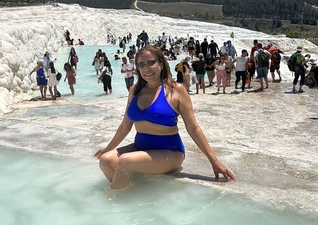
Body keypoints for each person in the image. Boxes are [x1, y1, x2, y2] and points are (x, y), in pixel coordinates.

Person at [94, 45, 235, 190]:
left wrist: (214, 161)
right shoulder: (135, 90)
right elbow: (125, 127)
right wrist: (107, 150)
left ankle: (113, 203)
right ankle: (132, 193)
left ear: (161, 64)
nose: (146, 68)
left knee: (124, 160)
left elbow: (193, 128)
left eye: (151, 63)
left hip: (170, 152)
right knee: (105, 161)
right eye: (141, 64)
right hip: (140, 147)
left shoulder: (176, 90)